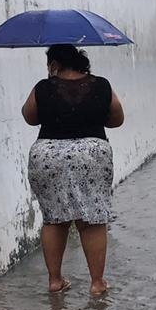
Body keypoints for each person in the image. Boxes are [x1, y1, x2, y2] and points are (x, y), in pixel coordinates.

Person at [22, 44, 125, 296]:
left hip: (48, 155)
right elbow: (117, 119)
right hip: (91, 154)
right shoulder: (102, 85)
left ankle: (55, 281)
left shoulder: (43, 87)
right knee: (92, 219)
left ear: (54, 64)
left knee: (54, 219)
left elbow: (29, 116)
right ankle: (97, 283)